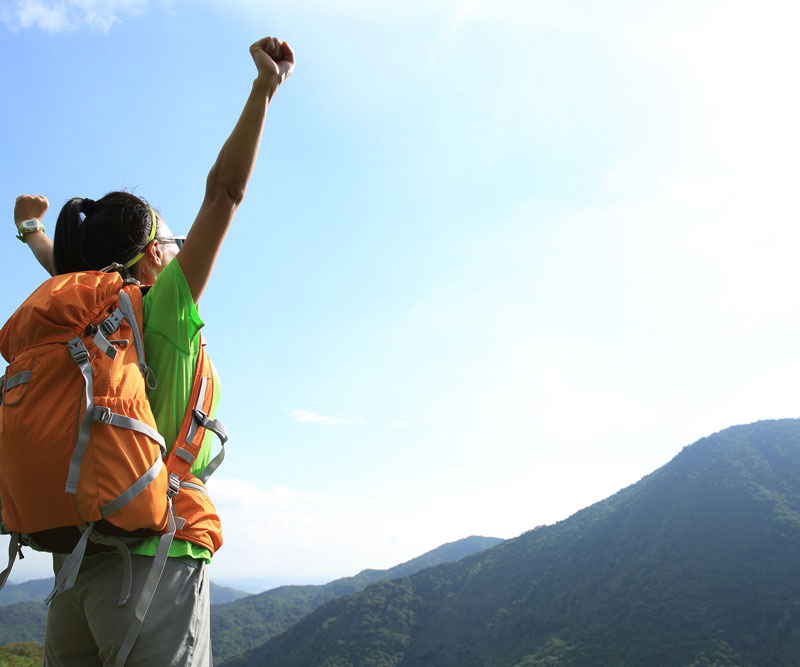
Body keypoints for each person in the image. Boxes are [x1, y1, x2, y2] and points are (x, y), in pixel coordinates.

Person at [11, 35, 294, 667]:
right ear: (150, 255)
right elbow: (224, 193)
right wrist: (263, 90)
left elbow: (66, 268)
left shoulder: (85, 320)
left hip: (71, 574)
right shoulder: (160, 309)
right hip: (155, 566)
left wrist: (32, 233)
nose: (177, 249)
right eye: (170, 240)